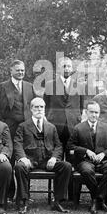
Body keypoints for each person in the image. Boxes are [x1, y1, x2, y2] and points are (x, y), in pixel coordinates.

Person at [13, 97, 72, 214]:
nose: (39, 109)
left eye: (41, 107)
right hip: (30, 160)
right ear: (31, 109)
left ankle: (58, 201)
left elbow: (59, 145)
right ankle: (24, 201)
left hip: (47, 160)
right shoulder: (23, 126)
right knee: (19, 167)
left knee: (66, 166)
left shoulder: (51, 127)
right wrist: (23, 158)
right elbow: (17, 143)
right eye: (36, 107)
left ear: (44, 109)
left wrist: (54, 158)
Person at [0, 60, 36, 202]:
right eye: (18, 70)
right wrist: (3, 126)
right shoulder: (2, 87)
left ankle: (25, 195)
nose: (21, 72)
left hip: (26, 129)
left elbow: (34, 107)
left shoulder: (30, 87)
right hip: (9, 128)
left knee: (26, 159)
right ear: (11, 71)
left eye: (23, 70)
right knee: (9, 160)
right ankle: (9, 194)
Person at [67, 101, 107, 214]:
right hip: (85, 160)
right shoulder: (78, 128)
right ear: (86, 112)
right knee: (86, 170)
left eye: (96, 112)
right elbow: (70, 145)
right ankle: (99, 199)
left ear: (99, 113)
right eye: (91, 112)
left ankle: (97, 199)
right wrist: (86, 151)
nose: (94, 115)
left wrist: (103, 154)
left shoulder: (106, 127)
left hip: (102, 161)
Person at [44, 56, 85, 198]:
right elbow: (46, 106)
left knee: (73, 161)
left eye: (68, 66)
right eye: (64, 66)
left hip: (73, 127)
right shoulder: (50, 85)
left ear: (72, 69)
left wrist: (78, 121)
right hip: (56, 127)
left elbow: (80, 107)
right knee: (57, 160)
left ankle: (73, 195)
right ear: (58, 69)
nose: (66, 69)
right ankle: (59, 195)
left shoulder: (78, 85)